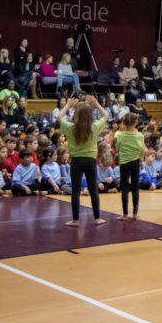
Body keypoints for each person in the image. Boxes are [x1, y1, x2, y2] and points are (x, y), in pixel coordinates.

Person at [59, 96, 108, 227]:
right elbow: (105, 116)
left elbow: (59, 117)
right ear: (90, 116)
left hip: (76, 160)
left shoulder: (70, 128)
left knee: (75, 191)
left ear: (76, 115)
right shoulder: (94, 127)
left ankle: (75, 220)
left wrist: (68, 105)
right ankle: (97, 218)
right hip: (90, 161)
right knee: (93, 190)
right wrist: (96, 103)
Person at [115, 113, 145, 221]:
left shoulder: (120, 135)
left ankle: (125, 214)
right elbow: (142, 150)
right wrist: (141, 160)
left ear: (124, 123)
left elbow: (118, 148)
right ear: (136, 123)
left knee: (125, 188)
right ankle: (135, 213)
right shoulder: (140, 136)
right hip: (135, 162)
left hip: (124, 162)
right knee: (135, 187)